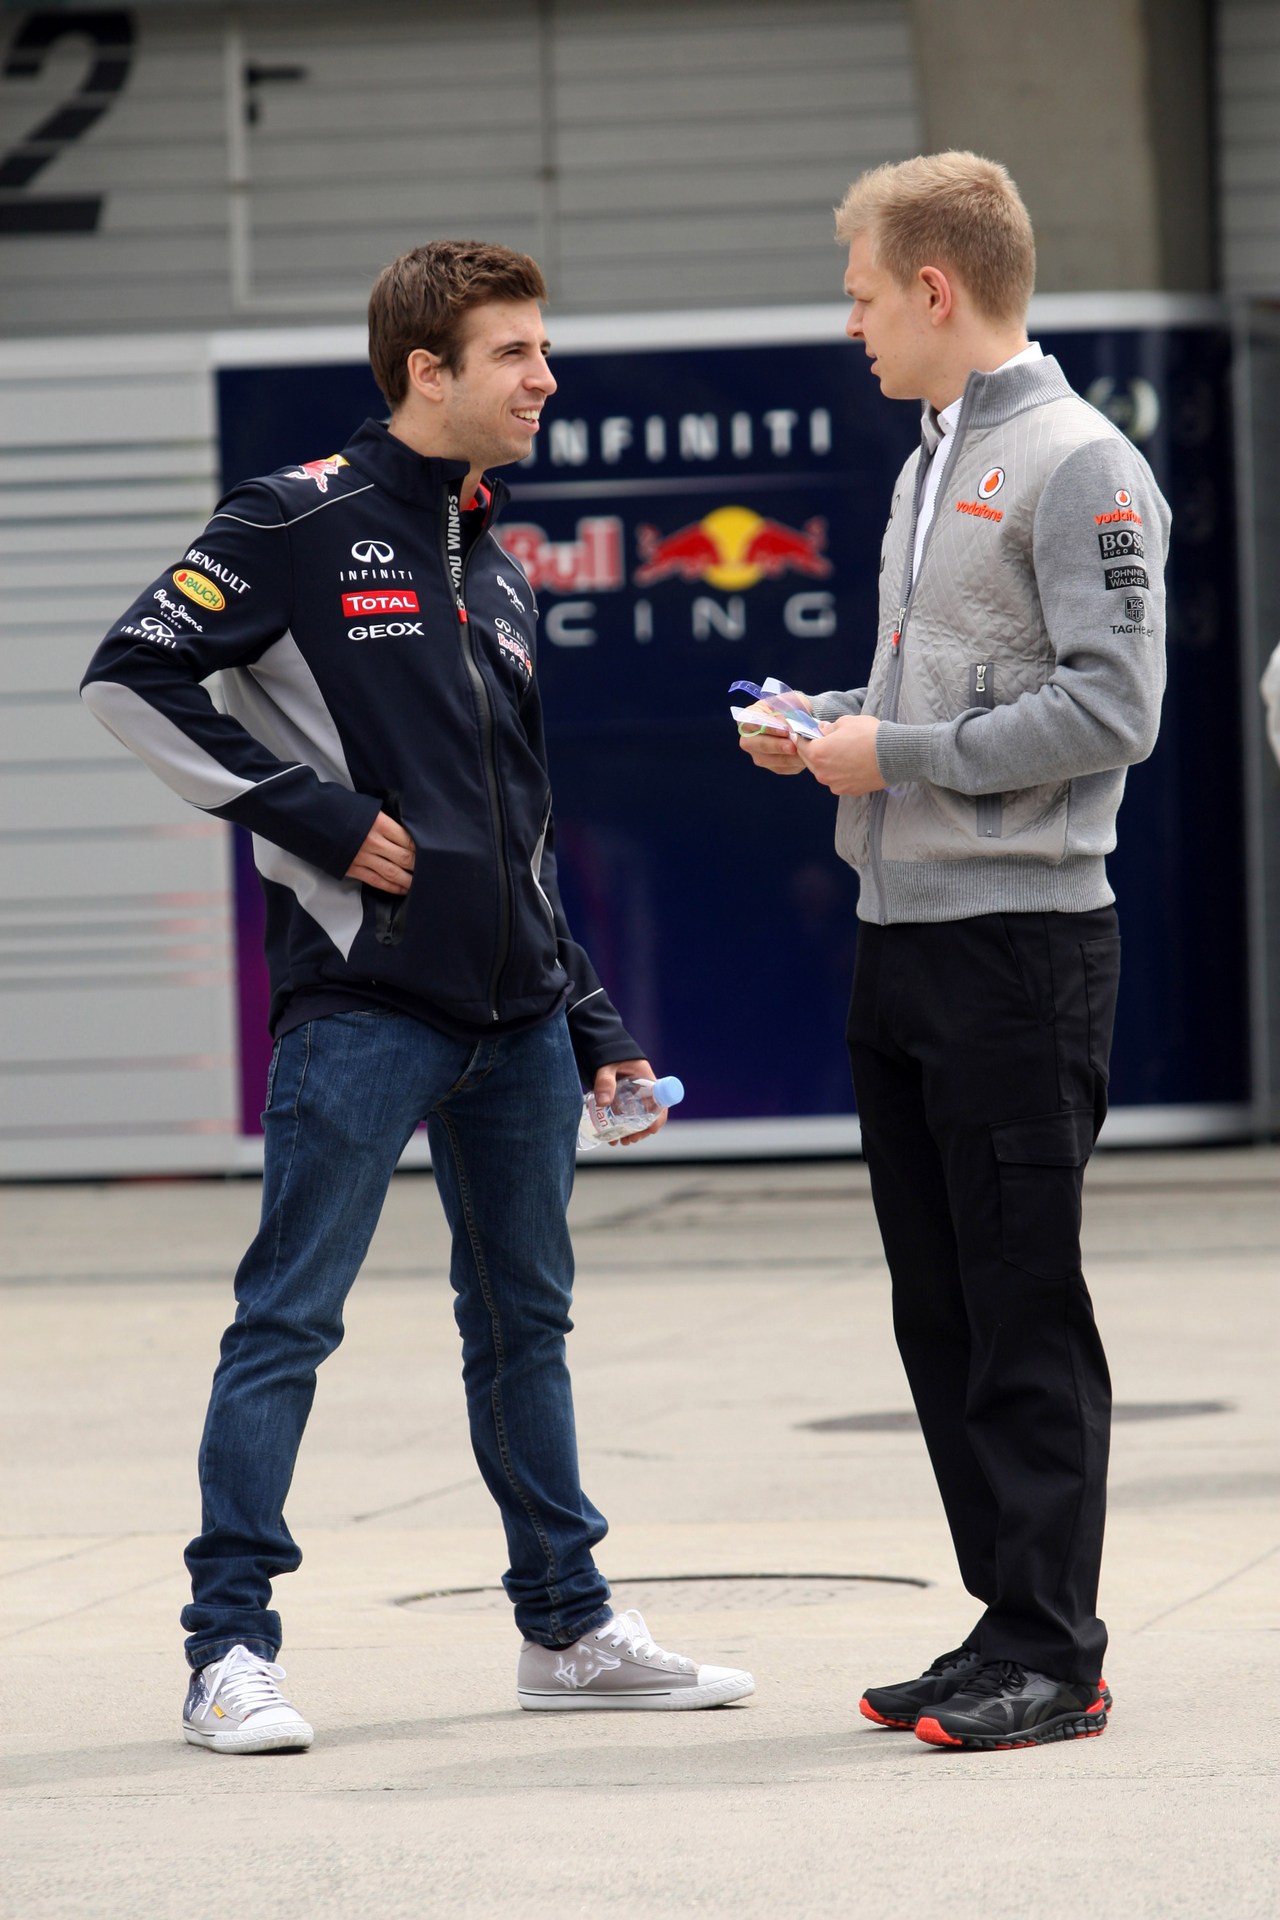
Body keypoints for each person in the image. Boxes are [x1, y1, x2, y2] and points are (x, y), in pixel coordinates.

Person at [82, 239, 752, 1752]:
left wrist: (597, 1026)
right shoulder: (294, 519)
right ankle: (224, 1652)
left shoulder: (498, 569)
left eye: (542, 349)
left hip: (517, 1024)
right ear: (426, 372)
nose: (546, 379)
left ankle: (567, 1630)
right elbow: (132, 675)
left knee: (526, 1327)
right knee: (288, 1320)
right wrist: (309, 814)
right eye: (515, 352)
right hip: (363, 1003)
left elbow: (522, 837)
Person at [738, 153, 1168, 1751]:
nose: (848, 323)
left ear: (935, 288)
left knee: (1020, 1300)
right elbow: (940, 701)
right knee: (942, 1308)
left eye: (859, 294)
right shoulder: (932, 458)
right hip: (901, 938)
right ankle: (1007, 1617)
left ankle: (1058, 1655)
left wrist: (897, 753)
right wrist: (831, 734)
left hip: (1021, 948)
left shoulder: (1079, 464)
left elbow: (1117, 710)